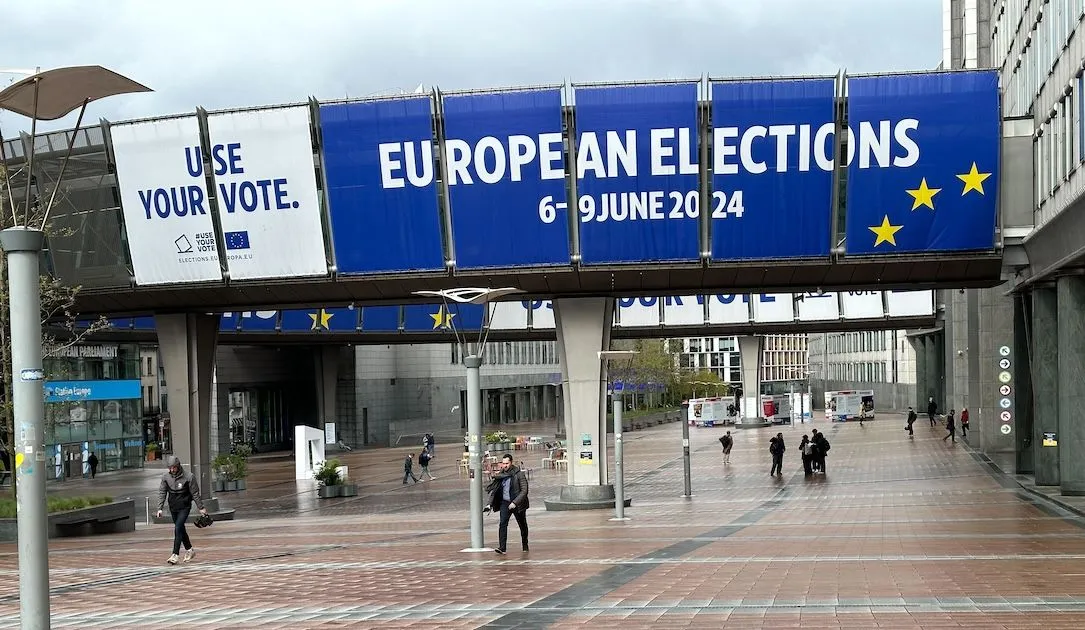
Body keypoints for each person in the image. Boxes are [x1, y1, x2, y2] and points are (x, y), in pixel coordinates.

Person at [155, 456, 207, 565]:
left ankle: (175, 554)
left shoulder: (189, 477)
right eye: (170, 468)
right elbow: (162, 493)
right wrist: (159, 508)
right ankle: (190, 550)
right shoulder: (165, 477)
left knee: (178, 527)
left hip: (185, 506)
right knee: (181, 529)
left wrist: (201, 508)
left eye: (174, 467)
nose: (172, 470)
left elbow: (195, 493)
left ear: (178, 466)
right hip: (173, 507)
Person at [484, 453, 530, 555]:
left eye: (507, 463)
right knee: (502, 524)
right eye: (503, 463)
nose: (505, 466)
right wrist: (489, 504)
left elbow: (524, 490)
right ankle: (502, 547)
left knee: (522, 525)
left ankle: (525, 544)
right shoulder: (501, 475)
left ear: (511, 462)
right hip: (505, 503)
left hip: (517, 504)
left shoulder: (519, 474)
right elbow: (495, 491)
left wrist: (515, 502)